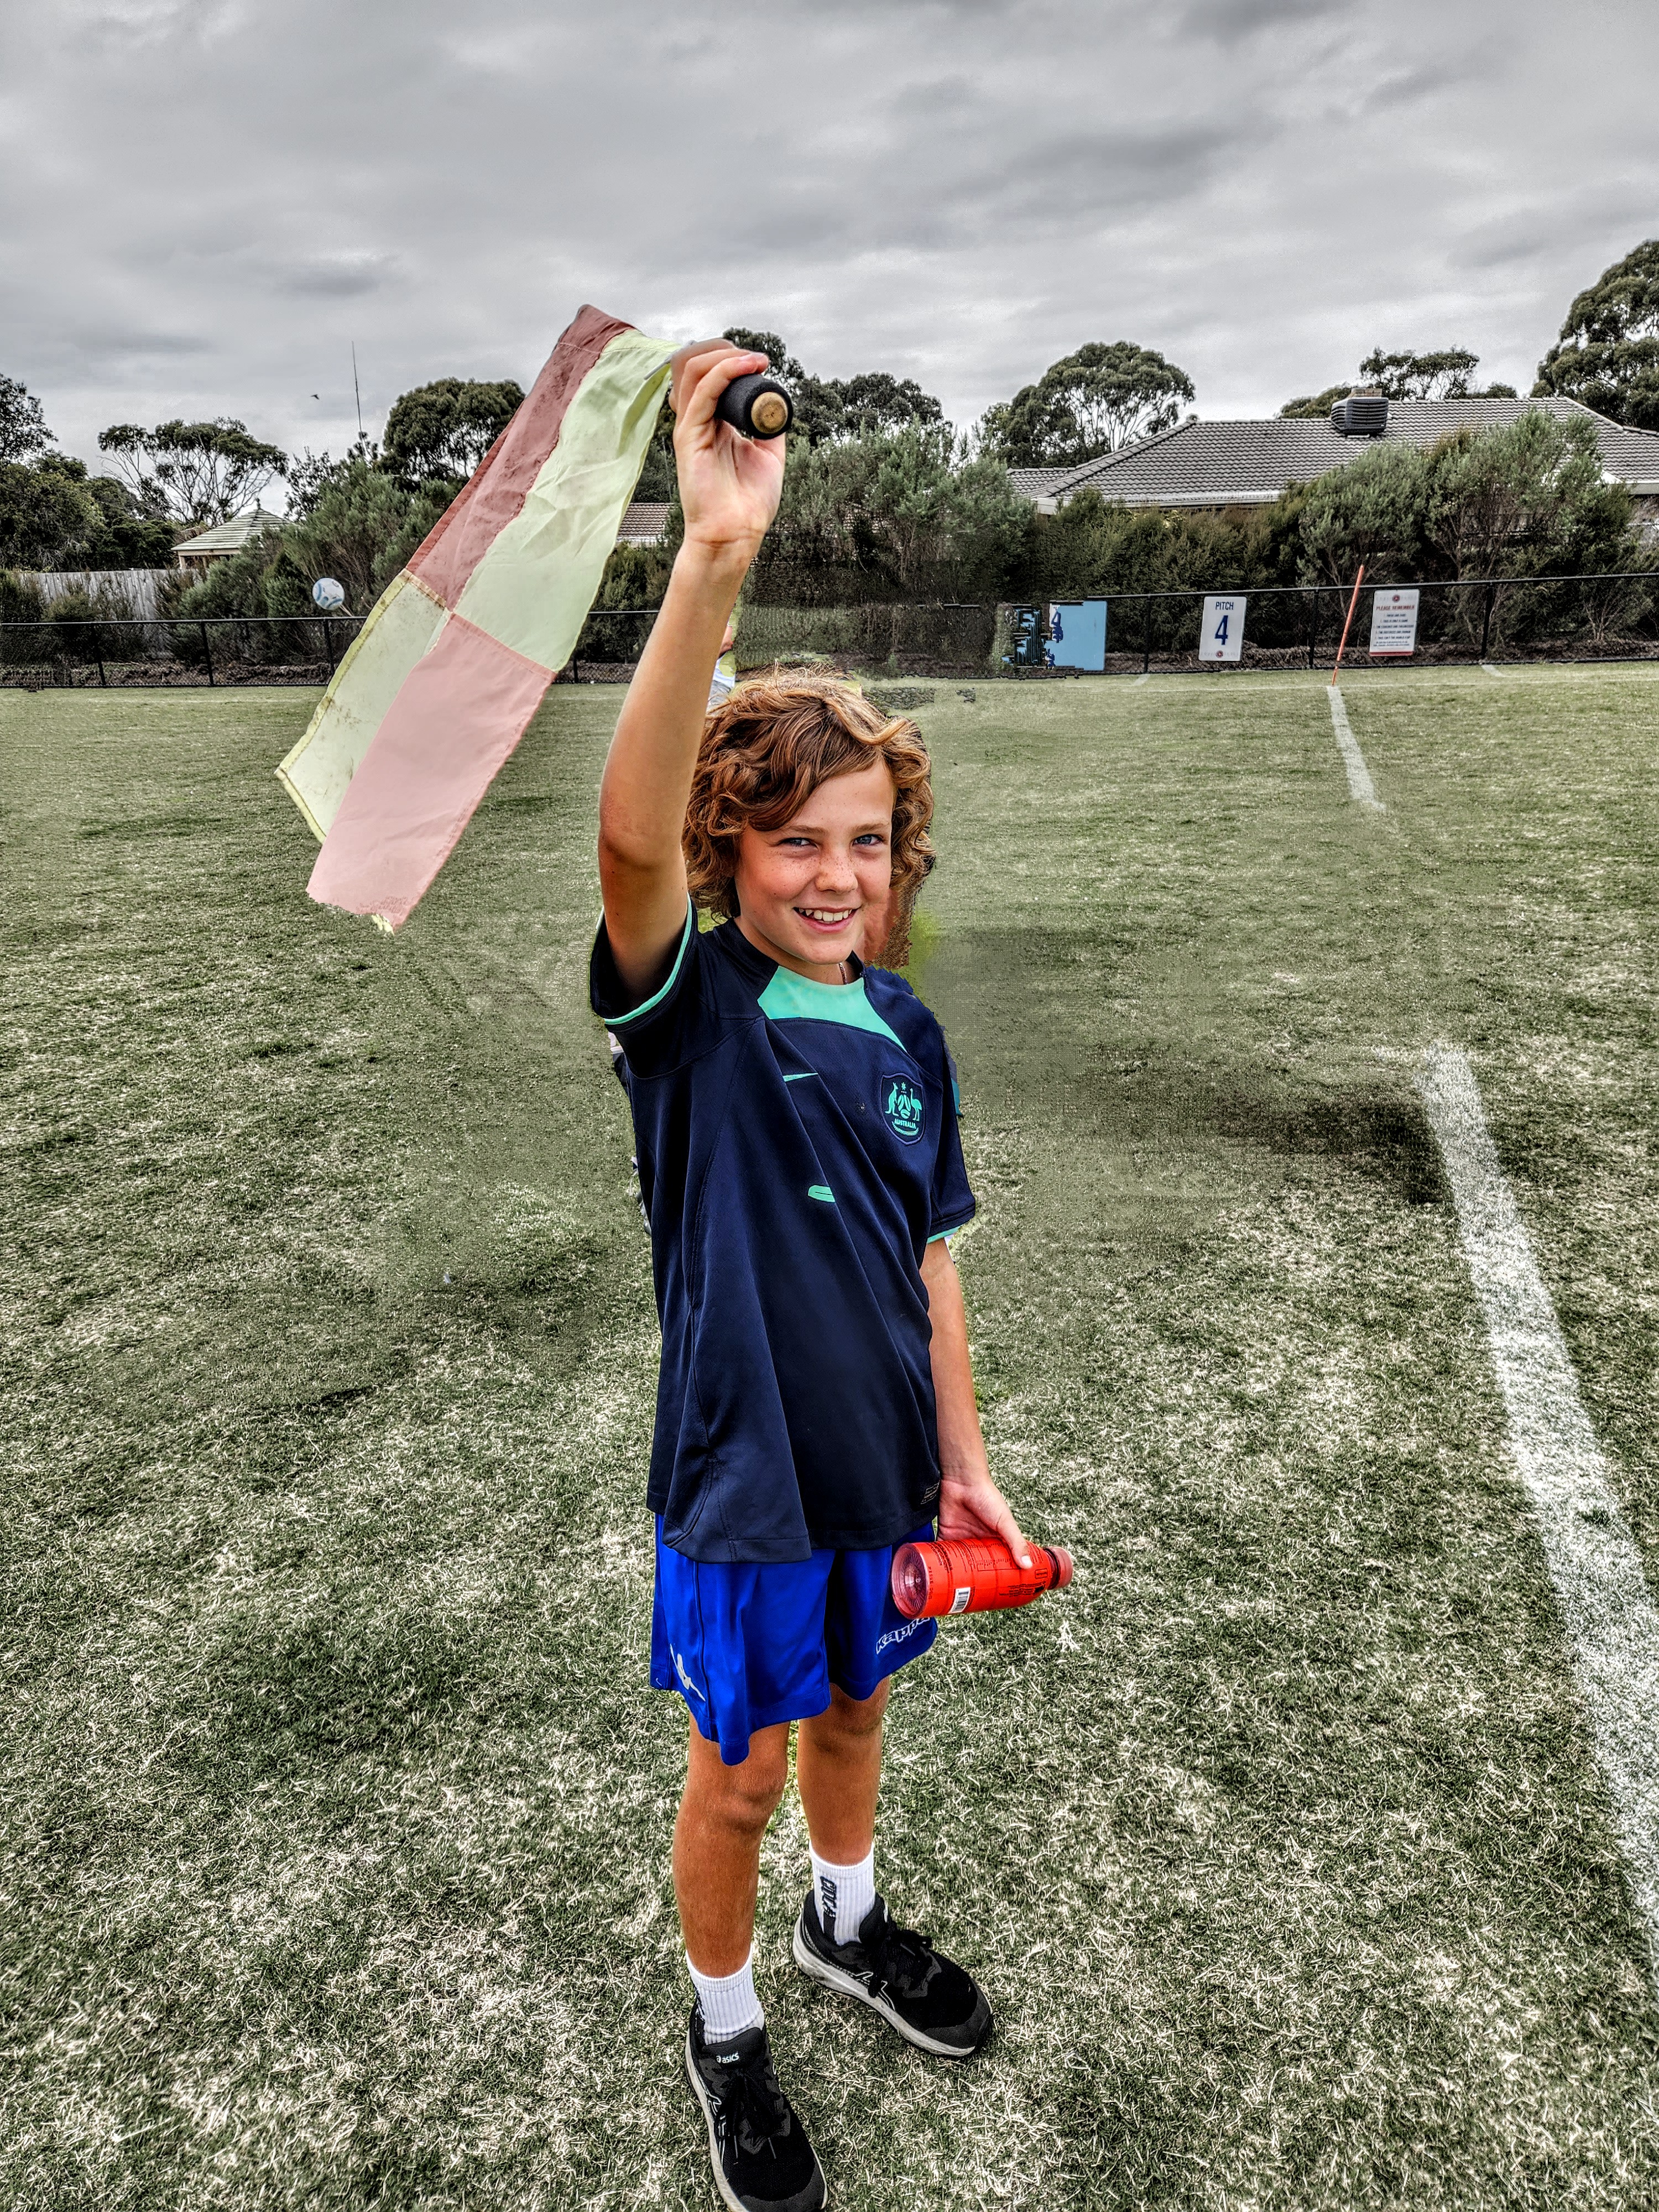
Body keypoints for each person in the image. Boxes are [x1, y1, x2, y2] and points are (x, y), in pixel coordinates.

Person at [591, 340, 1030, 2212]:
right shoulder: (689, 1013)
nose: (835, 874)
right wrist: (711, 556)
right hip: (745, 1487)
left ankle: (847, 1931)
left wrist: (968, 1460)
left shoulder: (911, 1030)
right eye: (792, 843)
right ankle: (728, 2020)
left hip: (879, 1479)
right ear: (728, 857)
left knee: (857, 1720)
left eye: (865, 840)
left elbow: (932, 1262)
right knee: (743, 1774)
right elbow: (622, 834)